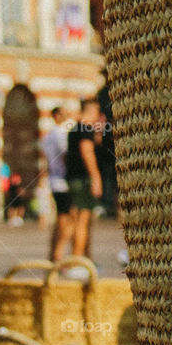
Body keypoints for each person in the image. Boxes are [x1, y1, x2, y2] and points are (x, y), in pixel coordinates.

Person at [66, 98, 103, 261]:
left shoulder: (74, 129)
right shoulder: (85, 129)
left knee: (79, 220)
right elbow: (86, 151)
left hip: (73, 178)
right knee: (83, 220)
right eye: (97, 112)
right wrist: (95, 177)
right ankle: (77, 260)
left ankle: (86, 259)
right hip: (83, 179)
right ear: (92, 111)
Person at [40, 105, 75, 261]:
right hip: (63, 182)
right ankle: (58, 255)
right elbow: (66, 155)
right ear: (56, 116)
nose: (66, 115)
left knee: (60, 220)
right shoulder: (60, 134)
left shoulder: (48, 136)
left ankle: (53, 254)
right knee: (68, 221)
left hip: (54, 181)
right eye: (63, 113)